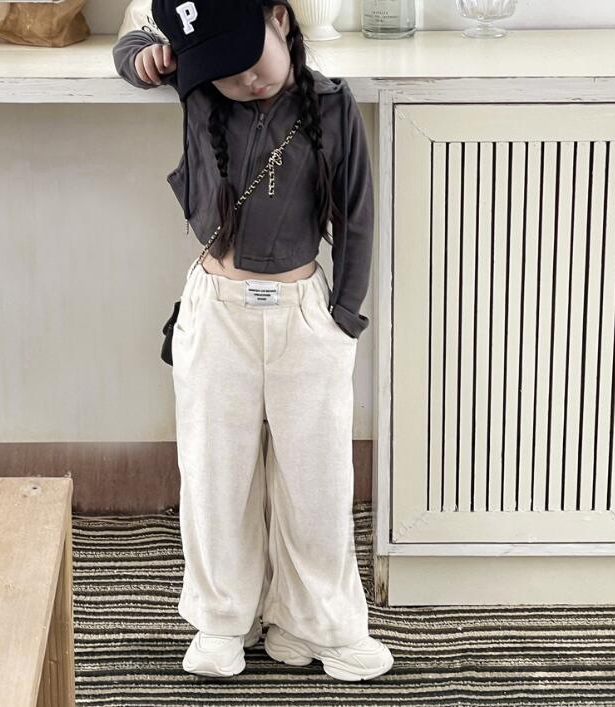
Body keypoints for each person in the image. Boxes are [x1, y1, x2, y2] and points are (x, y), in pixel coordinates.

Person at [112, 0, 394, 683]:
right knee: (216, 476)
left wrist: (343, 316)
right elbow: (131, 39)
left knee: (317, 482)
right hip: (218, 317)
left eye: (248, 56)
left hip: (306, 317)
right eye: (224, 69)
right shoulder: (201, 90)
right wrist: (143, 55)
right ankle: (221, 620)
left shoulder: (331, 105)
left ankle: (317, 623)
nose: (244, 79)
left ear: (280, 18)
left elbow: (357, 218)